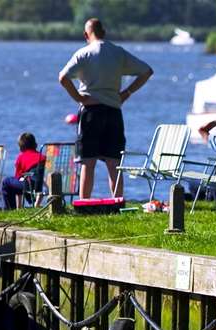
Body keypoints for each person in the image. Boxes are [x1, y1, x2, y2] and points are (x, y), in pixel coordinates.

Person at [58, 18, 153, 199]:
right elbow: (147, 71)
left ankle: (84, 204)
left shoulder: (83, 54)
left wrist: (79, 98)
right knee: (114, 163)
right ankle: (116, 202)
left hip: (90, 112)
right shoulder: (118, 53)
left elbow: (63, 78)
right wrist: (127, 93)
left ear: (86, 35)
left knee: (88, 162)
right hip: (113, 111)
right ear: (104, 32)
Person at [0, 132, 47, 209]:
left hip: (28, 184)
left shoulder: (21, 157)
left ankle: (11, 209)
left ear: (21, 147)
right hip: (41, 185)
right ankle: (30, 203)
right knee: (24, 181)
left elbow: (18, 177)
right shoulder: (42, 157)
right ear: (35, 144)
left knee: (6, 182)